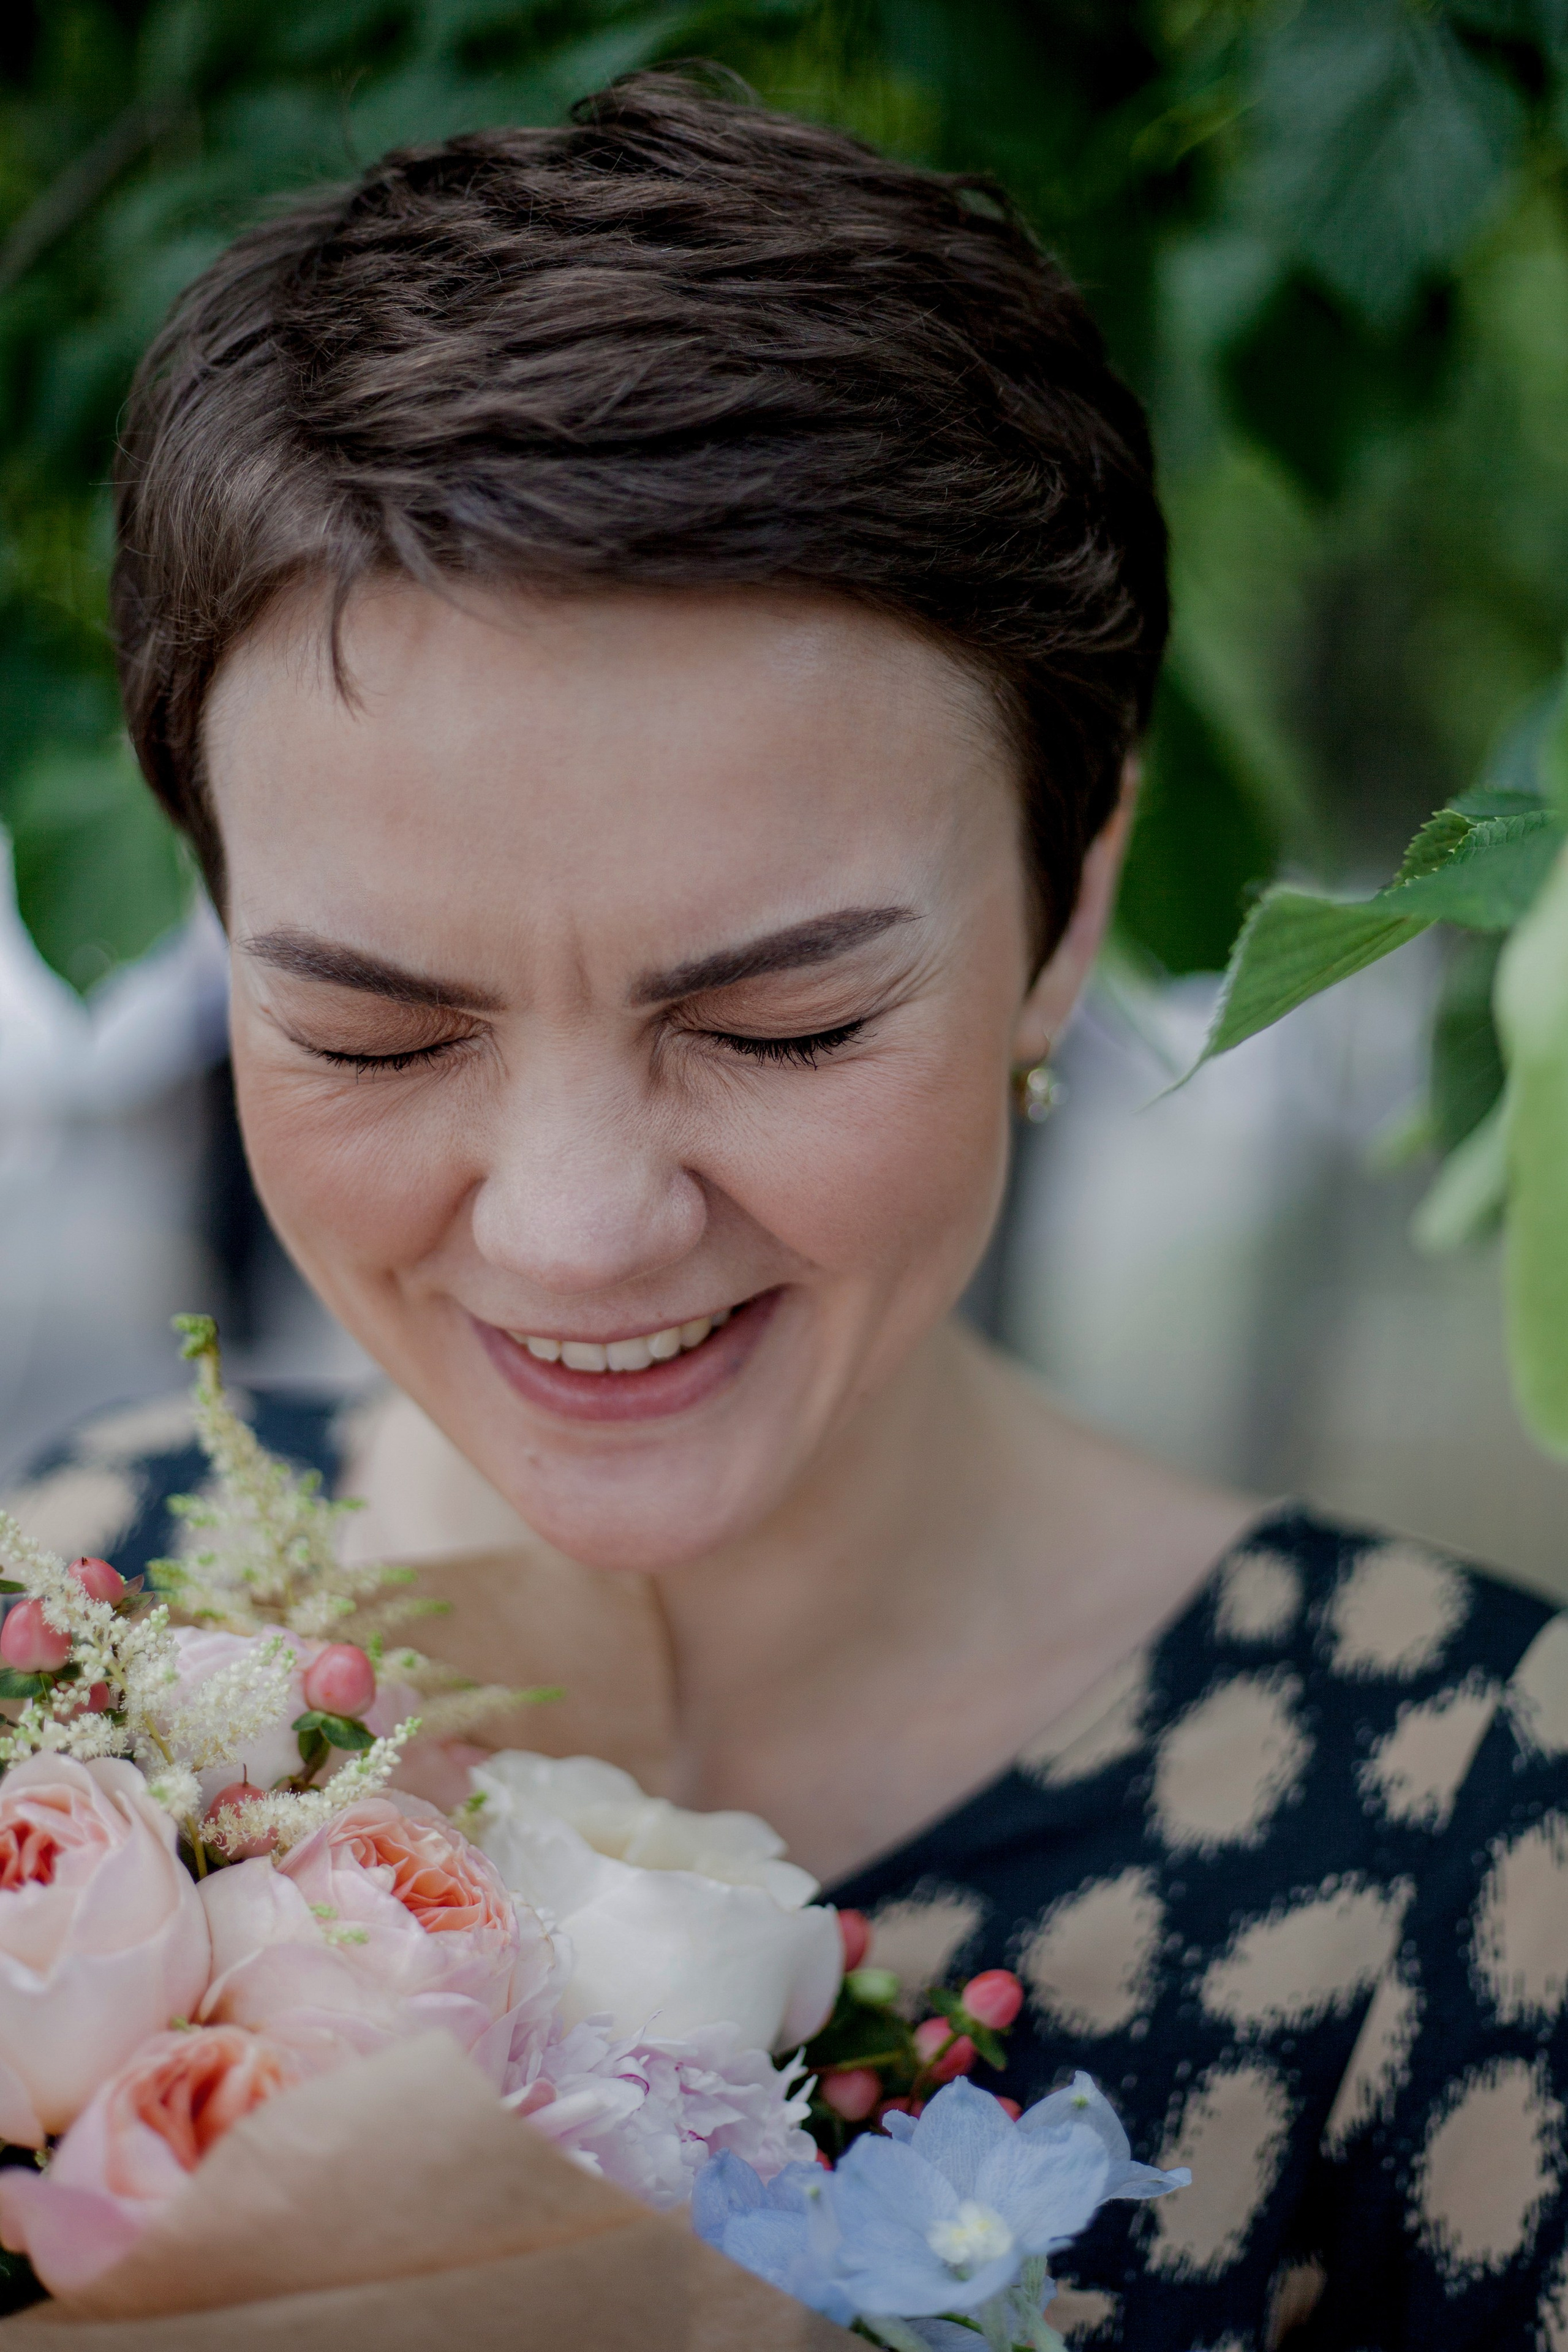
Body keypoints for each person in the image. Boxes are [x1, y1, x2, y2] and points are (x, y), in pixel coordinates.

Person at [15, 67, 1568, 2350]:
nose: (572, 1229)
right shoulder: (47, 1667)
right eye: (372, 1035)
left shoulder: (1491, 1853)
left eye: (781, 1026)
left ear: (1069, 903)